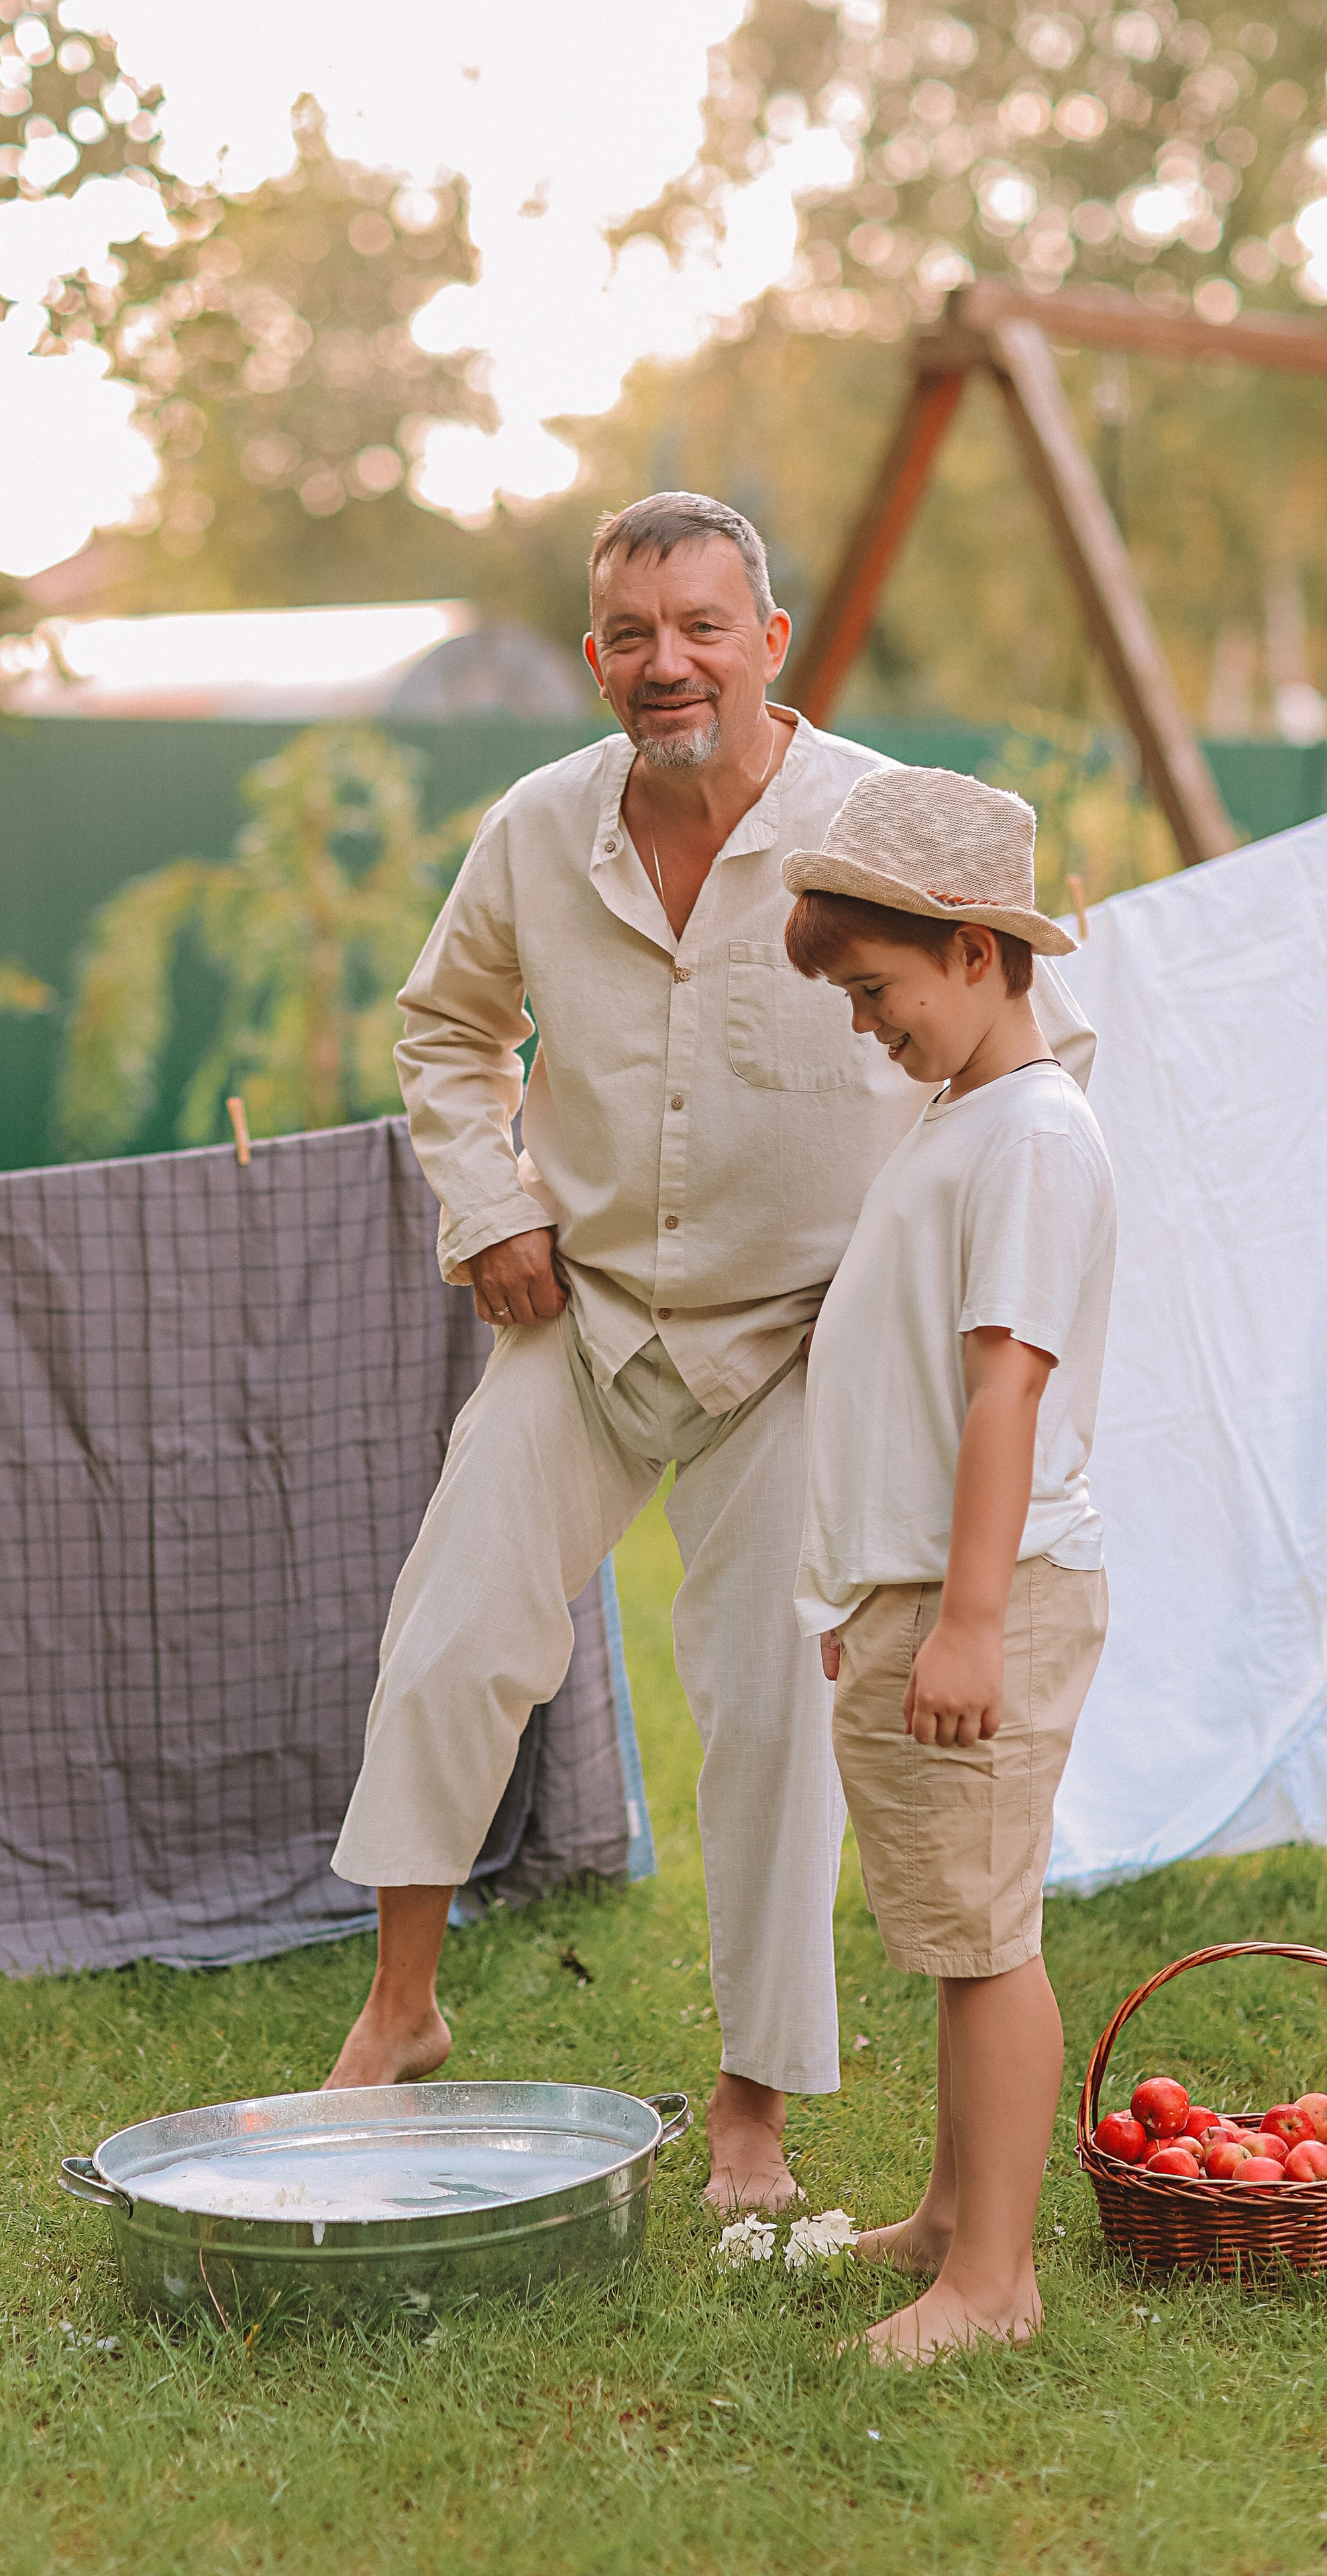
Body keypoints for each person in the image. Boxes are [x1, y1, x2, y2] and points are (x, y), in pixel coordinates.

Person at [323, 492, 1094, 2216]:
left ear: (768, 642)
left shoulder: (876, 817)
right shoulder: (536, 827)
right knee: (449, 1630)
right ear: (594, 657)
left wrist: (914, 1277)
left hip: (802, 1343)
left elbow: (1039, 1052)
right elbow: (444, 1029)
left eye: (698, 626)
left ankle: (752, 2104)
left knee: (765, 1707)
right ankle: (399, 2009)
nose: (664, 661)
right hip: (583, 1308)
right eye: (629, 635)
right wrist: (488, 1201)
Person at [782, 765, 1116, 2359]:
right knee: (946, 1921)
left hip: (988, 1594)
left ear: (976, 952)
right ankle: (945, 2217)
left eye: (876, 990)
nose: (865, 1026)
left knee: (984, 1945)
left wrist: (969, 1622)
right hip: (914, 1591)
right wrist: (867, 1593)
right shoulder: (961, 1118)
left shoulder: (1032, 1136)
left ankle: (992, 2282)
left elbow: (1004, 1392)